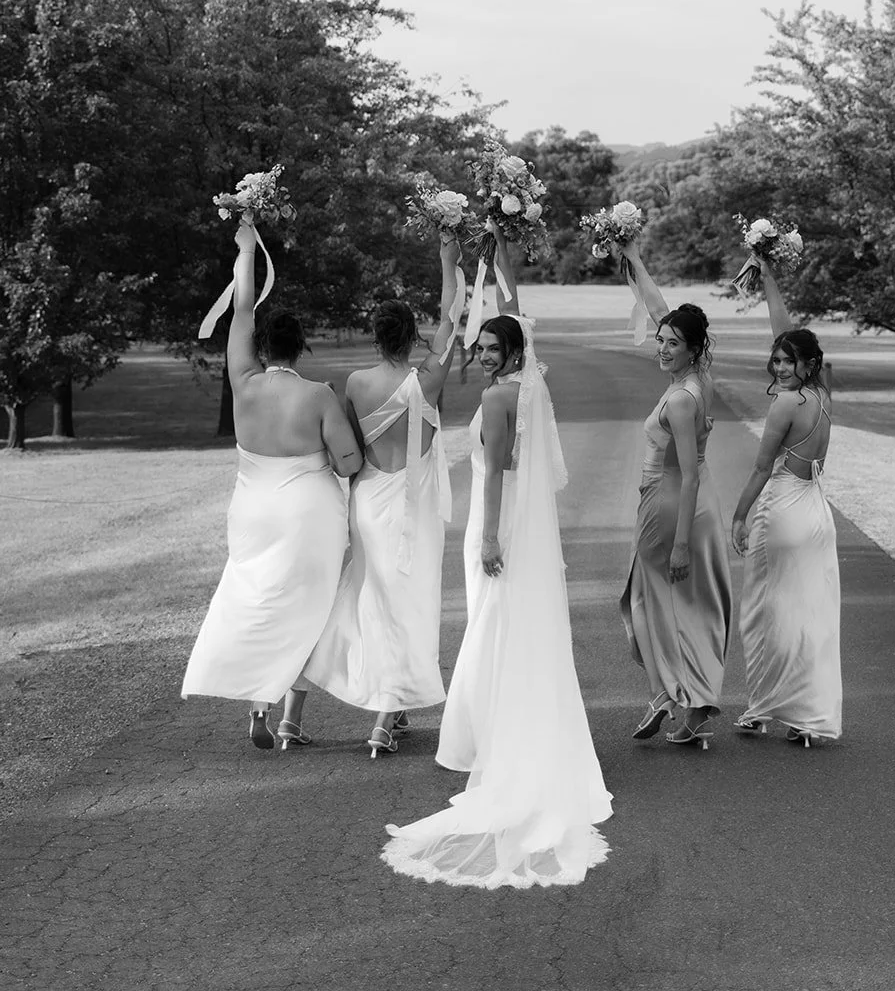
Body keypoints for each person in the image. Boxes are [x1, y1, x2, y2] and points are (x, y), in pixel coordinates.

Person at [381, 223, 612, 889]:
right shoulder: (531, 388)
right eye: (479, 346)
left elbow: (500, 472)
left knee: (491, 618)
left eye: (490, 346)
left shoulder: (498, 396)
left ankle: (487, 738)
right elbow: (513, 307)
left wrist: (487, 538)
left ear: (512, 352)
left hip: (497, 519)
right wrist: (495, 247)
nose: (481, 354)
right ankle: (510, 728)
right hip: (513, 519)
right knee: (510, 620)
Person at [181, 219, 360, 749]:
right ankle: (285, 713)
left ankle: (258, 702)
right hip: (307, 514)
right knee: (307, 611)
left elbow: (241, 308)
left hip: (252, 509)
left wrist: (245, 248)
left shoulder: (243, 382)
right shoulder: (319, 396)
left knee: (256, 596)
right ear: (301, 348)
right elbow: (348, 464)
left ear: (261, 346)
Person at [304, 233, 462, 757]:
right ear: (413, 335)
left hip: (369, 501)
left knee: (369, 600)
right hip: (413, 504)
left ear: (375, 337)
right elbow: (452, 317)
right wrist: (448, 261)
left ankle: (378, 705)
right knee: (409, 604)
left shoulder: (355, 382)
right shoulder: (430, 377)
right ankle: (384, 718)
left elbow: (351, 451)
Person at [618, 240, 733, 750]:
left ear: (692, 349)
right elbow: (659, 309)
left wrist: (681, 544)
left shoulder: (682, 400)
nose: (662, 347)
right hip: (694, 502)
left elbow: (687, 475)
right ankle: (691, 706)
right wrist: (634, 257)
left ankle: (666, 693)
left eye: (672, 343)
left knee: (645, 599)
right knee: (690, 604)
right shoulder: (699, 377)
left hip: (670, 502)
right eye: (660, 340)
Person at [731, 257, 842, 746]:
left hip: (782, 511)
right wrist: (769, 277)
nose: (778, 367)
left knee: (763, 613)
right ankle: (806, 717)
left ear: (806, 365)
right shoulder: (821, 395)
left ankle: (760, 710)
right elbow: (788, 333)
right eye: (776, 361)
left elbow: (760, 469)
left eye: (786, 362)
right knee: (808, 616)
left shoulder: (785, 403)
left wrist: (739, 516)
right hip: (817, 514)